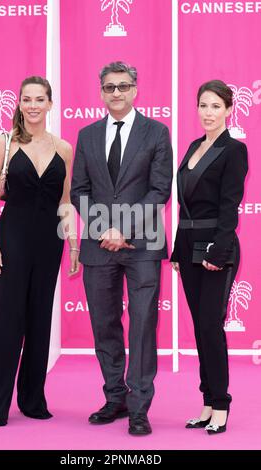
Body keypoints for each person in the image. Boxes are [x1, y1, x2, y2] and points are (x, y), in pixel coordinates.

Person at [0, 76, 79, 426]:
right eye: (27, 99)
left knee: (39, 318)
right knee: (6, 318)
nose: (33, 105)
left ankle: (33, 399)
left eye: (39, 99)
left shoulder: (64, 148)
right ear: (19, 103)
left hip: (50, 241)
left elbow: (65, 202)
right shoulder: (4, 143)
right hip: (13, 237)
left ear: (50, 104)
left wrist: (73, 243)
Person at [71, 61, 173, 435]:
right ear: (101, 92)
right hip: (99, 247)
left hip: (143, 245)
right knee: (104, 324)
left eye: (124, 86)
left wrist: (123, 228)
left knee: (143, 325)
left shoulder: (157, 132)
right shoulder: (86, 135)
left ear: (135, 90)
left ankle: (139, 406)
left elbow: (159, 189)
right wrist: (103, 230)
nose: (117, 93)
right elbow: (78, 189)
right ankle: (115, 396)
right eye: (110, 87)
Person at [171, 80, 248, 435]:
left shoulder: (234, 150)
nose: (208, 112)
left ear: (229, 110)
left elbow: (229, 205)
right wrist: (177, 246)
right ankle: (206, 403)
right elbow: (185, 204)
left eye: (216, 106)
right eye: (203, 105)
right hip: (188, 247)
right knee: (201, 331)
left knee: (209, 327)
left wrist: (219, 247)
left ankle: (221, 404)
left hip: (218, 246)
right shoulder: (192, 147)